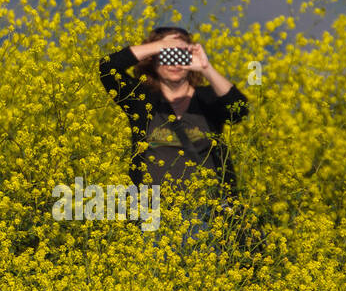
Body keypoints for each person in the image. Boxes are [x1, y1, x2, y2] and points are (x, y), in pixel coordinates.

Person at [98, 24, 250, 254]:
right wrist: (160, 45)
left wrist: (206, 67)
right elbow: (108, 68)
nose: (174, 61)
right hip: (151, 212)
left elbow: (239, 109)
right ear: (153, 59)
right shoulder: (140, 99)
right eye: (167, 54)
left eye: (181, 53)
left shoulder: (207, 99)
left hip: (207, 213)